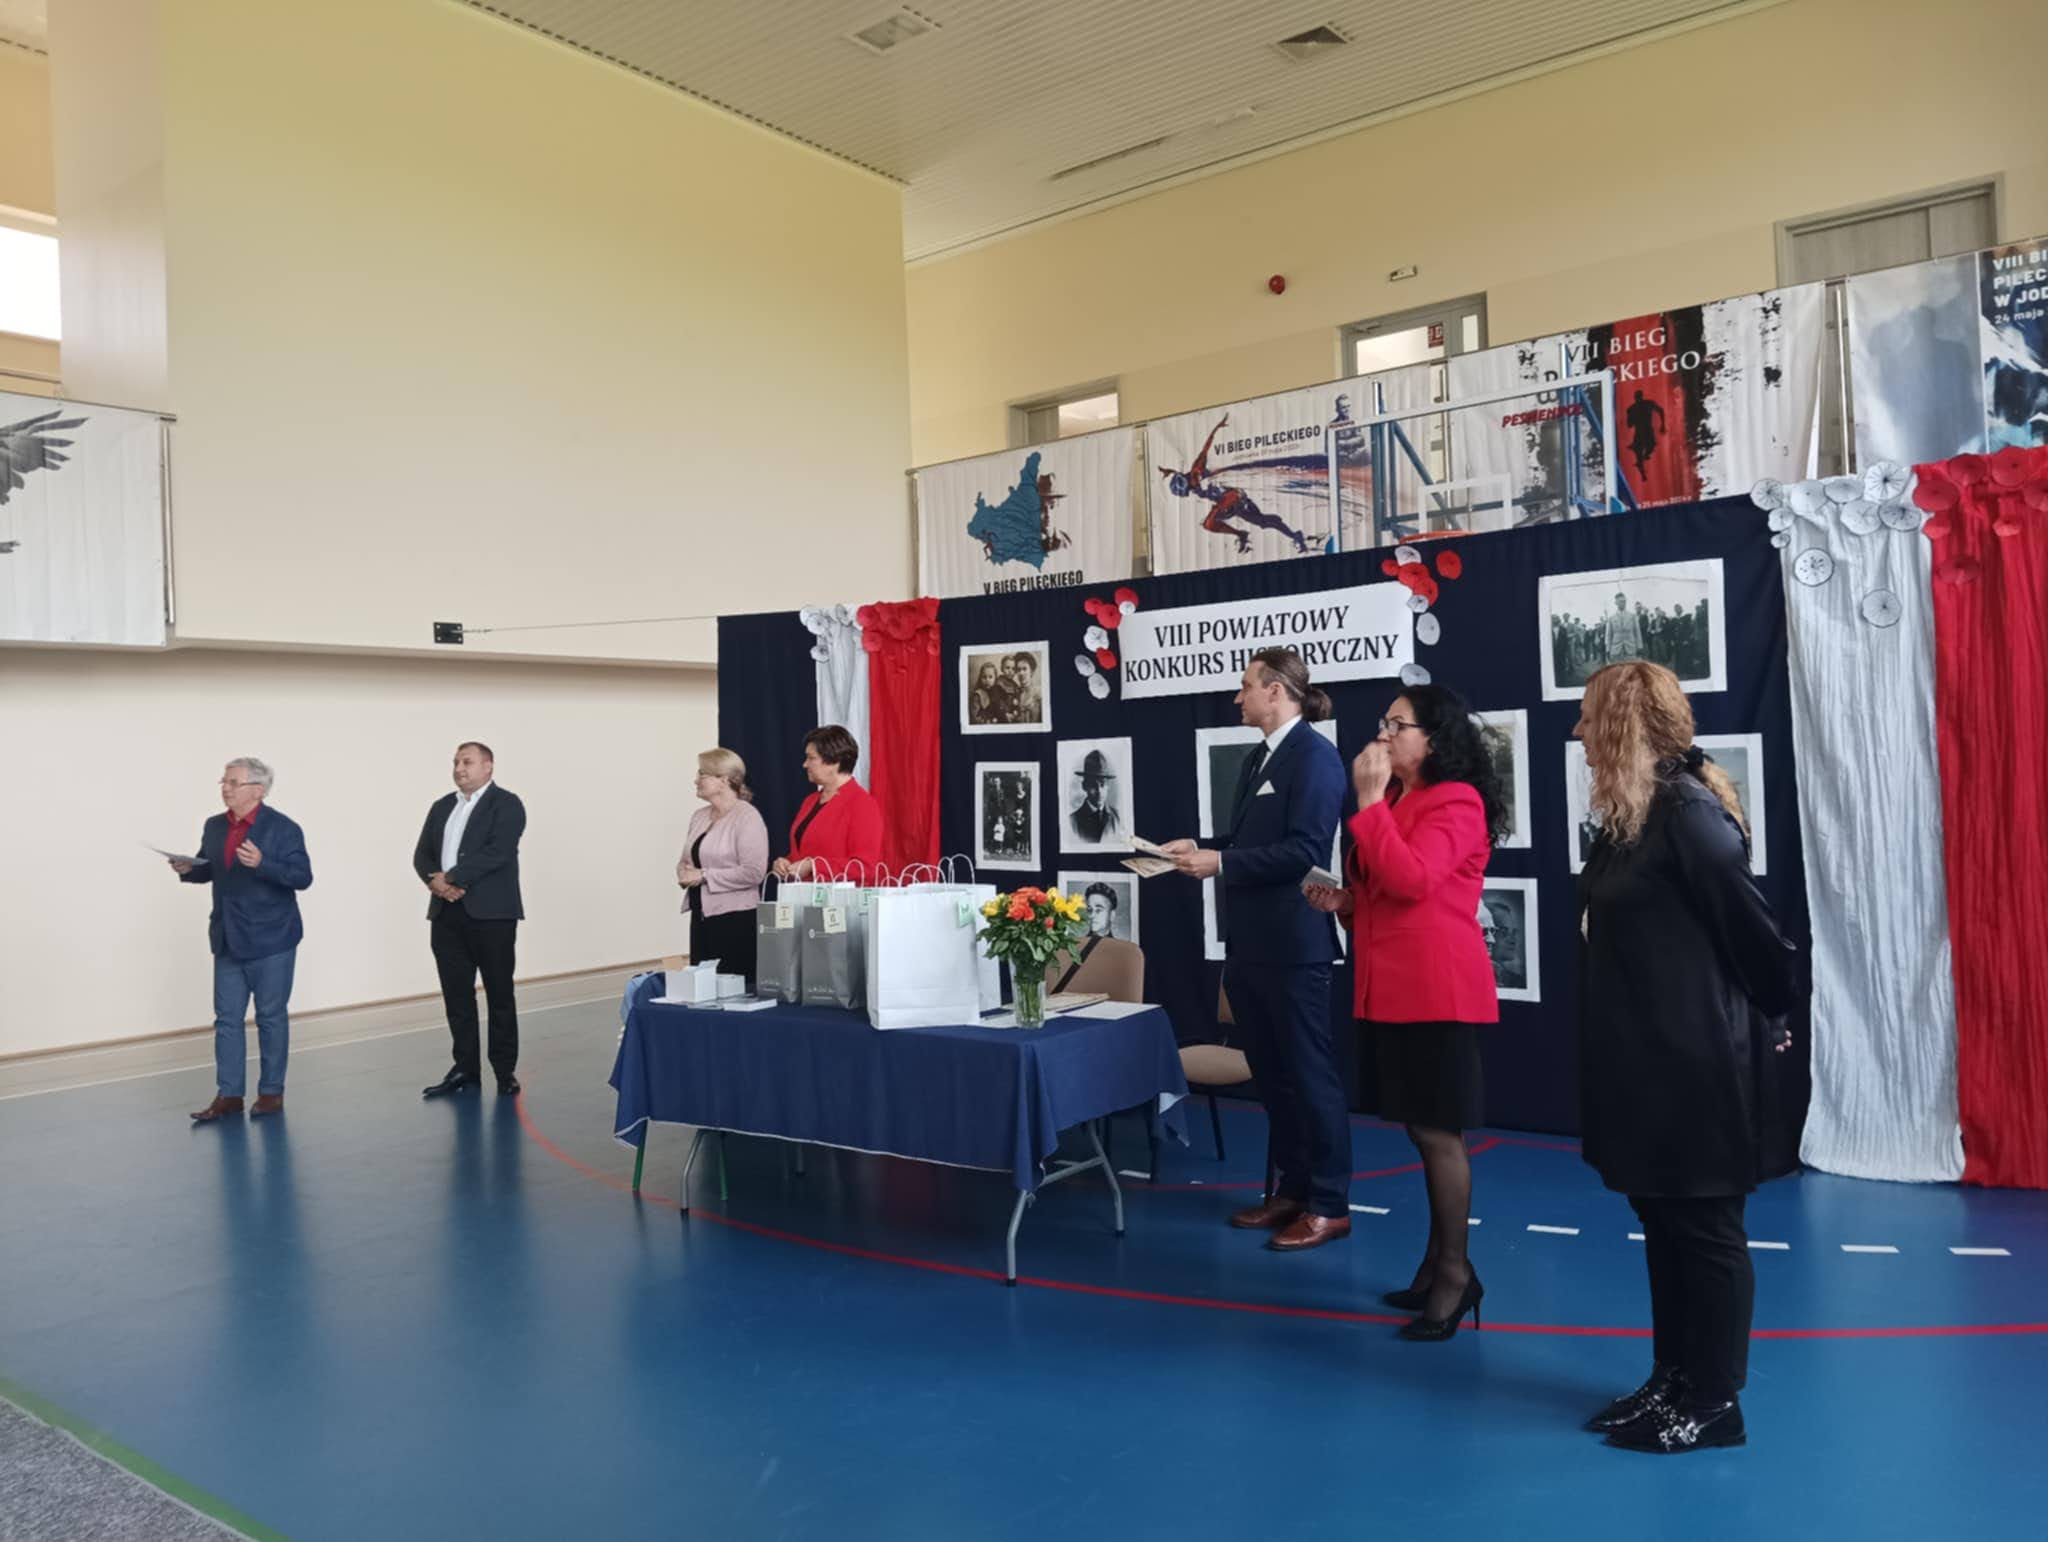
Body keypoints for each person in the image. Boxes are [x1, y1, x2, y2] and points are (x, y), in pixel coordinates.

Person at [1572, 661, 1800, 1454]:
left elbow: (1760, 942)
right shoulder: (1634, 815)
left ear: (1618, 725)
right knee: (1665, 1221)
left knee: (1704, 1231)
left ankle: (1714, 1400)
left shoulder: (1689, 813)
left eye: (1587, 717)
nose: (1577, 732)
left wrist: (1770, 1014)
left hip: (1697, 1066)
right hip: (1649, 1061)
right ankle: (1674, 1377)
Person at [1305, 685, 1507, 1338]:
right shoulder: (1399, 797)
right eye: (1384, 723)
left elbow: (1414, 879)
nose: (1384, 735)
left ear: (1435, 739)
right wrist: (1347, 902)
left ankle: (1454, 1275)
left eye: (1398, 725)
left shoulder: (1457, 800)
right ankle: (1435, 1265)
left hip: (1435, 990)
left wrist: (1367, 802)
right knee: (1422, 1130)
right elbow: (1390, 889)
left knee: (1439, 1133)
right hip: (1392, 987)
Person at [1162, 648, 1348, 1251]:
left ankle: (1329, 1205)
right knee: (1275, 1078)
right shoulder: (1257, 757)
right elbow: (1250, 843)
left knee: (1310, 1078)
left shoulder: (1315, 756)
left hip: (1294, 947)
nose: (1237, 697)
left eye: (1245, 686)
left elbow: (1306, 851)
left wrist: (1220, 862)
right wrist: (1202, 846)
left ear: (1276, 692)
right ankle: (1292, 1192)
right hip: (1251, 946)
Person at [173, 758, 314, 1123]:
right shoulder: (214, 825)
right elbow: (210, 868)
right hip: (227, 937)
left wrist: (263, 863)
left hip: (272, 938)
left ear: (258, 790)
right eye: (224, 781)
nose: (226, 788)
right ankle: (229, 1095)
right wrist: (189, 869)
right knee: (227, 1020)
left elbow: (302, 877)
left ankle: (271, 1093)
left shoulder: (283, 828)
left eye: (234, 782)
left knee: (270, 1017)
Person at [415, 742, 527, 1098]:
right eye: (456, 762)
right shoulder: (442, 806)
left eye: (467, 761)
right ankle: (465, 1068)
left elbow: (498, 851)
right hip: (446, 914)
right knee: (457, 997)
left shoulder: (506, 804)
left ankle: (504, 1070)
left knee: (499, 993)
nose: (459, 768)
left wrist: (452, 878)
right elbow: (422, 854)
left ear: (488, 766)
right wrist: (435, 881)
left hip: (492, 916)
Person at [678, 748, 769, 988]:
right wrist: (683, 872)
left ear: (724, 780)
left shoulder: (747, 817)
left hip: (735, 920)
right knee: (704, 992)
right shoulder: (699, 816)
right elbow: (687, 860)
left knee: (734, 992)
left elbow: (754, 872)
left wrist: (704, 876)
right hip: (701, 916)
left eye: (702, 774)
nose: (696, 780)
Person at [773, 725, 885, 882]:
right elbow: (806, 852)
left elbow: (865, 867)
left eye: (811, 758)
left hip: (839, 896)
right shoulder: (810, 801)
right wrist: (786, 863)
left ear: (835, 761)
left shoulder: (862, 804)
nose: (805, 764)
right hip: (804, 893)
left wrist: (813, 866)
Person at [1069, 749, 1124, 844]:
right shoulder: (1072, 823)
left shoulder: (1118, 818)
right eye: (1093, 785)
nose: (1099, 791)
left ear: (1108, 786)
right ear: (1084, 786)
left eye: (1102, 784)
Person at [1010, 651, 1043, 724]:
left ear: (1031, 671)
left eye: (1024, 669)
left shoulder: (1039, 693)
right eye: (1018, 670)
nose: (1021, 673)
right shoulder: (1016, 694)